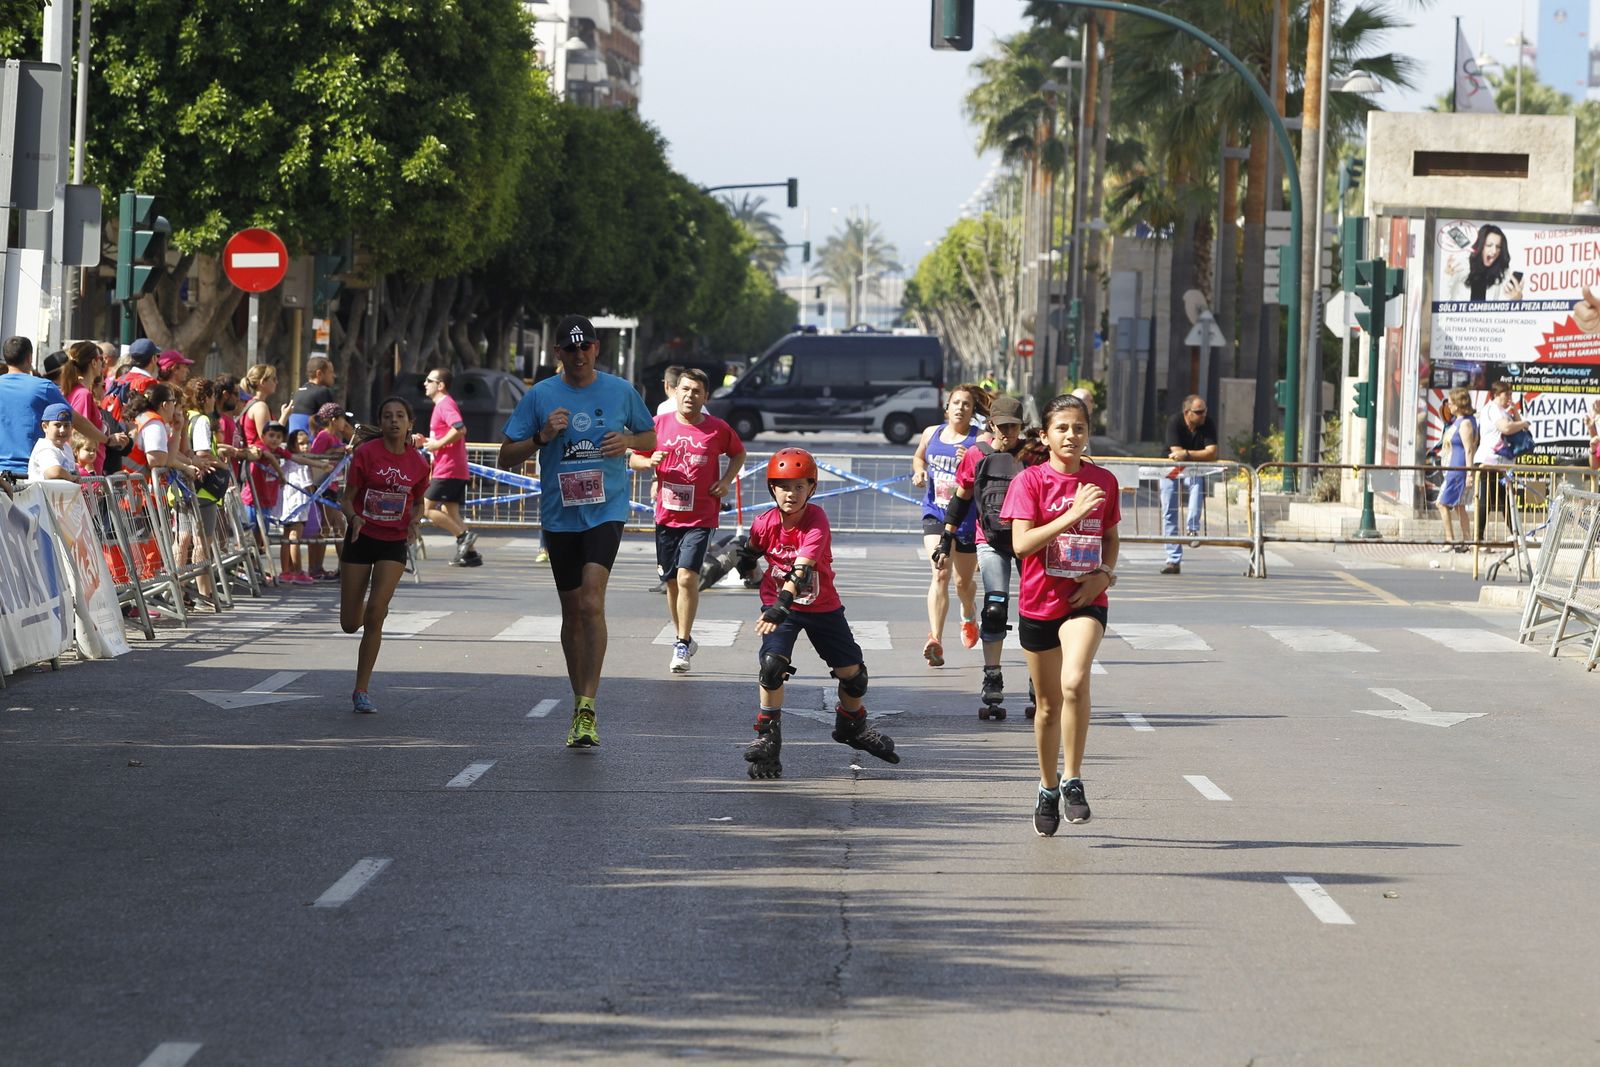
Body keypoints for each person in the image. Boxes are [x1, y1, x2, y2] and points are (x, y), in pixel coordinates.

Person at [498, 314, 656, 748]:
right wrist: (543, 436)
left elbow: (650, 437)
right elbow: (505, 456)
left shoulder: (621, 390)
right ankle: (578, 701)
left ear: (596, 348)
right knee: (572, 612)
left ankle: (589, 704)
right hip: (560, 514)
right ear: (558, 354)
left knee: (591, 599)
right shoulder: (541, 396)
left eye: (585, 346)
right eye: (570, 348)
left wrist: (627, 442)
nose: (579, 354)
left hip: (606, 510)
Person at [737, 447, 899, 779]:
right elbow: (750, 549)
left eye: (799, 486)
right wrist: (745, 564)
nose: (791, 494)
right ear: (772, 488)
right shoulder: (764, 523)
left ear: (811, 488)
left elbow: (803, 568)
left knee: (854, 676)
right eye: (784, 486)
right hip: (778, 607)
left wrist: (781, 605)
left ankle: (852, 724)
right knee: (771, 665)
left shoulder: (816, 519)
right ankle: (768, 735)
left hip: (819, 605)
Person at [1001, 394, 1120, 836]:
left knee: (1075, 681)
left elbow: (1110, 537)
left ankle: (1072, 778)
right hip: (1039, 603)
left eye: (1079, 428)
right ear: (1047, 435)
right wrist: (1073, 513)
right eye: (1063, 428)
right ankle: (1047, 787)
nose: (1072, 435)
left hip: (1085, 599)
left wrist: (1104, 575)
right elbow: (1021, 544)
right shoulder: (1029, 482)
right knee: (1048, 705)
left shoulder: (1103, 480)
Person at [630, 367, 745, 673]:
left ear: (705, 396)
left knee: (686, 577)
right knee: (670, 582)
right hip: (666, 515)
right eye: (685, 389)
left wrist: (725, 481)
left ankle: (681, 643)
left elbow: (738, 453)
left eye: (696, 391)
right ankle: (685, 636)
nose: (690, 395)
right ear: (674, 392)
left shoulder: (717, 429)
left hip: (701, 515)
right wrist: (647, 461)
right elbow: (632, 456)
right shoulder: (658, 424)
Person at [938, 394, 1046, 716]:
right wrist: (947, 537)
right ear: (990, 425)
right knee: (995, 608)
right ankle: (992, 677)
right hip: (992, 539)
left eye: (1014, 427)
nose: (1008, 433)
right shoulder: (976, 454)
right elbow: (961, 497)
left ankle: (1037, 681)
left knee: (1035, 613)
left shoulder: (1033, 455)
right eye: (1003, 427)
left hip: (1029, 540)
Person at [339, 396, 430, 714]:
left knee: (376, 613)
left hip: (393, 541)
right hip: (360, 537)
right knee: (350, 623)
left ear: (410, 423)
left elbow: (418, 500)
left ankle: (361, 689)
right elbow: (346, 498)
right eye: (388, 415)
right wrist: (354, 517)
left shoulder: (419, 463)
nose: (394, 420)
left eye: (400, 415)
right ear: (381, 422)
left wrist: (415, 519)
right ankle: (367, 608)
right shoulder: (366, 454)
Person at [910, 384, 986, 665]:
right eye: (956, 403)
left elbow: (988, 475)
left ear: (972, 410)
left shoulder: (981, 439)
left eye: (967, 404)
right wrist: (919, 471)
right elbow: (919, 456)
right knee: (939, 572)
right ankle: (935, 640)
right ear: (947, 406)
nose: (960, 408)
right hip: (936, 513)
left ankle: (968, 614)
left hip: (967, 518)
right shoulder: (932, 433)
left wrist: (970, 463)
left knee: (962, 582)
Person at [1, 336, 115, 478]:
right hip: (34, 472)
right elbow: (77, 420)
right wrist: (107, 440)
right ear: (30, 357)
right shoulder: (44, 387)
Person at [418, 368, 482, 567]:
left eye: (429, 380)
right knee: (450, 511)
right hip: (451, 467)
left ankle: (464, 536)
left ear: (440, 385)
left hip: (449, 468)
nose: (425, 384)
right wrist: (429, 442)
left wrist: (437, 445)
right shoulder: (442, 406)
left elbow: (459, 429)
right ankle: (471, 555)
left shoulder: (445, 404)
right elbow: (447, 435)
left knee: (426, 508)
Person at [1159, 394, 1217, 575]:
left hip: (1191, 468)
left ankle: (1192, 530)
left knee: (1197, 484)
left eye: (1204, 411)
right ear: (1187, 412)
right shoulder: (1175, 422)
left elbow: (1212, 452)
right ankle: (1173, 560)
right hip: (1172, 469)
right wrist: (1194, 455)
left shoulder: (1207, 423)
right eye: (1199, 412)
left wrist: (1188, 455)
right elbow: (1176, 454)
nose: (1203, 415)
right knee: (1170, 509)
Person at [1473, 379, 1528, 544]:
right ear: (1497, 394)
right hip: (1489, 462)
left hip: (1501, 464)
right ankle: (1478, 538)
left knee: (1506, 499)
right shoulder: (1492, 409)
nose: (1509, 397)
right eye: (1507, 394)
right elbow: (1506, 428)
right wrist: (1522, 423)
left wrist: (1516, 412)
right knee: (1486, 500)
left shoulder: (1503, 411)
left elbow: (1522, 428)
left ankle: (1516, 535)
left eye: (1511, 394)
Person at [308, 402, 354, 581]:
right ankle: (316, 568)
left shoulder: (335, 437)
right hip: (323, 487)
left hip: (333, 486)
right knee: (327, 528)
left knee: (337, 527)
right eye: (343, 419)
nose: (345, 423)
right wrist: (338, 450)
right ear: (334, 420)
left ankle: (343, 567)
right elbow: (315, 457)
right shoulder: (324, 436)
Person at [1437, 388, 1476, 552]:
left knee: (1441, 503)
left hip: (1457, 469)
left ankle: (1450, 539)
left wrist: (1469, 473)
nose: (1449, 406)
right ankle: (1467, 540)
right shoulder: (1458, 421)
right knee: (1459, 506)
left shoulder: (1466, 423)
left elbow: (1469, 449)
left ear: (1459, 405)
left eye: (1451, 403)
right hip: (1452, 468)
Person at [1442, 224, 1522, 302]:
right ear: (1480, 246)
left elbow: (1504, 306)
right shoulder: (1462, 265)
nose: (1494, 251)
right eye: (1489, 245)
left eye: (1498, 247)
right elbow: (1443, 301)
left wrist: (1517, 299)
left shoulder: (1501, 272)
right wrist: (1447, 277)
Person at [286, 355, 337, 438]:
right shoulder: (322, 392)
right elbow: (335, 424)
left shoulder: (297, 392)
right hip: (312, 447)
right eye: (330, 372)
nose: (333, 376)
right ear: (319, 374)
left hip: (295, 446)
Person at [27, 402, 78, 482]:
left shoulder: (66, 447)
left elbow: (73, 470)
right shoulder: (44, 447)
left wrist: (76, 475)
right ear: (45, 427)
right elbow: (54, 472)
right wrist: (71, 478)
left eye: (66, 425)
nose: (62, 430)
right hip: (42, 494)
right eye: (57, 425)